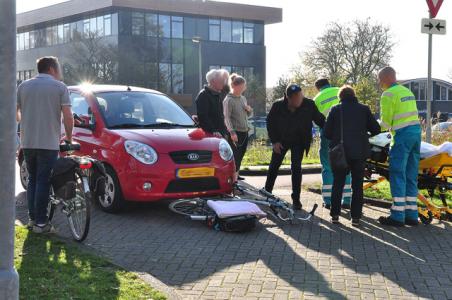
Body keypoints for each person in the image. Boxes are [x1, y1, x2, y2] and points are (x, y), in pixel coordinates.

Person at [17, 56, 74, 233]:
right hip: (48, 143)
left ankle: (33, 220)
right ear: (51, 69)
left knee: (33, 179)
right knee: (43, 180)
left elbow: (16, 114)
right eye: (58, 68)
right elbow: (68, 116)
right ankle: (42, 223)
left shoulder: (23, 86)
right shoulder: (59, 87)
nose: (60, 72)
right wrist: (69, 138)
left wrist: (26, 123)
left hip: (28, 142)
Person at [324, 86, 380, 226]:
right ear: (354, 95)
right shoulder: (364, 109)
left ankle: (335, 215)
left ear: (340, 97)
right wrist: (364, 135)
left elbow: (326, 133)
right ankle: (355, 217)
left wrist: (337, 137)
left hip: (340, 153)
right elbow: (376, 129)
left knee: (338, 184)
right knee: (357, 186)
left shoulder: (335, 109)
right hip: (359, 153)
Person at [265, 84, 325, 210]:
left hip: (299, 141)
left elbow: (320, 120)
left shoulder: (309, 105)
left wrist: (334, 126)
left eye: (301, 97)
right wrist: (274, 141)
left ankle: (296, 199)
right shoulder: (278, 106)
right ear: (288, 98)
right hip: (281, 141)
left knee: (296, 168)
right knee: (274, 166)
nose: (300, 100)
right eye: (296, 98)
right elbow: (270, 123)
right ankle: (267, 193)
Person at [377, 66, 422, 227]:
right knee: (411, 175)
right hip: (416, 135)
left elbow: (385, 123)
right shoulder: (407, 92)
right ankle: (411, 215)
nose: (379, 82)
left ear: (387, 78)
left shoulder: (388, 94)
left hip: (402, 137)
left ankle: (397, 216)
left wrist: (370, 127)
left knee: (397, 173)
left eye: (380, 79)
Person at [314, 78, 352, 210]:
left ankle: (328, 200)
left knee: (327, 166)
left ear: (318, 88)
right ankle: (347, 199)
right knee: (346, 164)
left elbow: (316, 120)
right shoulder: (340, 91)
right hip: (346, 134)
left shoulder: (317, 98)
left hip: (328, 135)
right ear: (329, 83)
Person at [223, 74, 253, 181]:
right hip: (235, 133)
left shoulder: (243, 98)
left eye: (244, 86)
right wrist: (232, 133)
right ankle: (233, 180)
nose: (244, 88)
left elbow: (248, 115)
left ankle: (236, 176)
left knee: (241, 155)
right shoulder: (228, 100)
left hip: (245, 131)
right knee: (235, 156)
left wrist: (249, 110)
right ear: (235, 86)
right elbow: (226, 118)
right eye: (242, 86)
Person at [195, 69, 228, 138]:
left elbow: (220, 116)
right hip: (211, 135)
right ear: (212, 81)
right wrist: (213, 130)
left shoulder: (217, 95)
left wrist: (225, 131)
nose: (224, 83)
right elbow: (203, 116)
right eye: (221, 80)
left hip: (220, 134)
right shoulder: (203, 95)